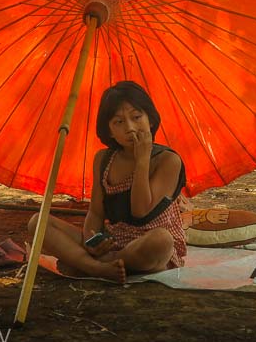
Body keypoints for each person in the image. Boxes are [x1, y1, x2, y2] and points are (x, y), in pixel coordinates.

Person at [27, 80, 187, 283]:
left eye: (137, 117)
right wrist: (90, 239)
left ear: (151, 120)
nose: (130, 128)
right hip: (112, 240)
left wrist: (142, 160)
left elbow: (141, 211)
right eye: (118, 122)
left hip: (146, 243)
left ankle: (88, 264)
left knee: (161, 241)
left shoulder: (167, 160)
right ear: (109, 130)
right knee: (38, 223)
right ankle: (97, 267)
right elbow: (95, 212)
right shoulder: (103, 159)